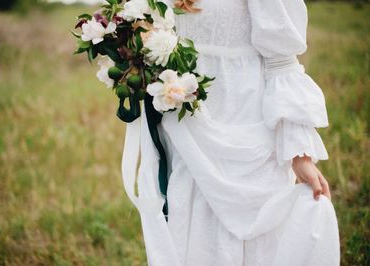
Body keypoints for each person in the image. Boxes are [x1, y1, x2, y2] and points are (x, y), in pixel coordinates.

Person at [120, 0, 341, 265]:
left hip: (248, 122)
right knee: (195, 233)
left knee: (256, 241)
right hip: (187, 128)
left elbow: (281, 61)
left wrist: (299, 153)